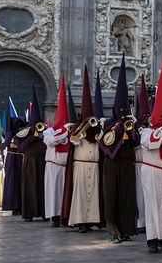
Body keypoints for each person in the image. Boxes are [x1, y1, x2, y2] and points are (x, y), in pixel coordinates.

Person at [99, 55, 138, 243]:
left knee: (127, 197)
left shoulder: (132, 123)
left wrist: (130, 131)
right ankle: (113, 229)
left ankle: (127, 229)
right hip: (112, 165)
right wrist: (119, 130)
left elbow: (137, 142)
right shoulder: (108, 123)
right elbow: (104, 143)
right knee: (112, 196)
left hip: (127, 164)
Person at [138, 59, 162, 253]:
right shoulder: (146, 131)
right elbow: (151, 142)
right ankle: (152, 238)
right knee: (152, 205)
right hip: (152, 172)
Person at [67, 67, 102, 233]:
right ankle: (80, 221)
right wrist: (83, 128)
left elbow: (101, 141)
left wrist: (95, 128)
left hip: (94, 166)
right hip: (80, 165)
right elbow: (73, 141)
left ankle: (92, 220)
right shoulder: (77, 129)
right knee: (80, 194)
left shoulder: (97, 131)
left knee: (93, 194)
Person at [43, 78, 71, 227]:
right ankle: (54, 216)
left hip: (66, 166)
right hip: (53, 166)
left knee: (65, 193)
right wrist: (64, 134)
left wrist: (69, 133)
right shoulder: (48, 131)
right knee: (53, 192)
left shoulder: (70, 131)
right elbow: (51, 142)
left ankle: (65, 216)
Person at [19, 89, 46, 221]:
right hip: (30, 164)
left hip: (42, 162)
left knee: (42, 187)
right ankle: (29, 213)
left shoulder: (45, 132)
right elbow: (21, 148)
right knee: (29, 188)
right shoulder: (25, 133)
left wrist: (42, 136)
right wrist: (32, 137)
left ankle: (43, 212)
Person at [134, 75, 151, 232]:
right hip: (138, 165)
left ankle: (148, 223)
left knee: (149, 196)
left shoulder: (150, 129)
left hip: (149, 164)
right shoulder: (135, 129)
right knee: (139, 196)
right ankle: (140, 222)